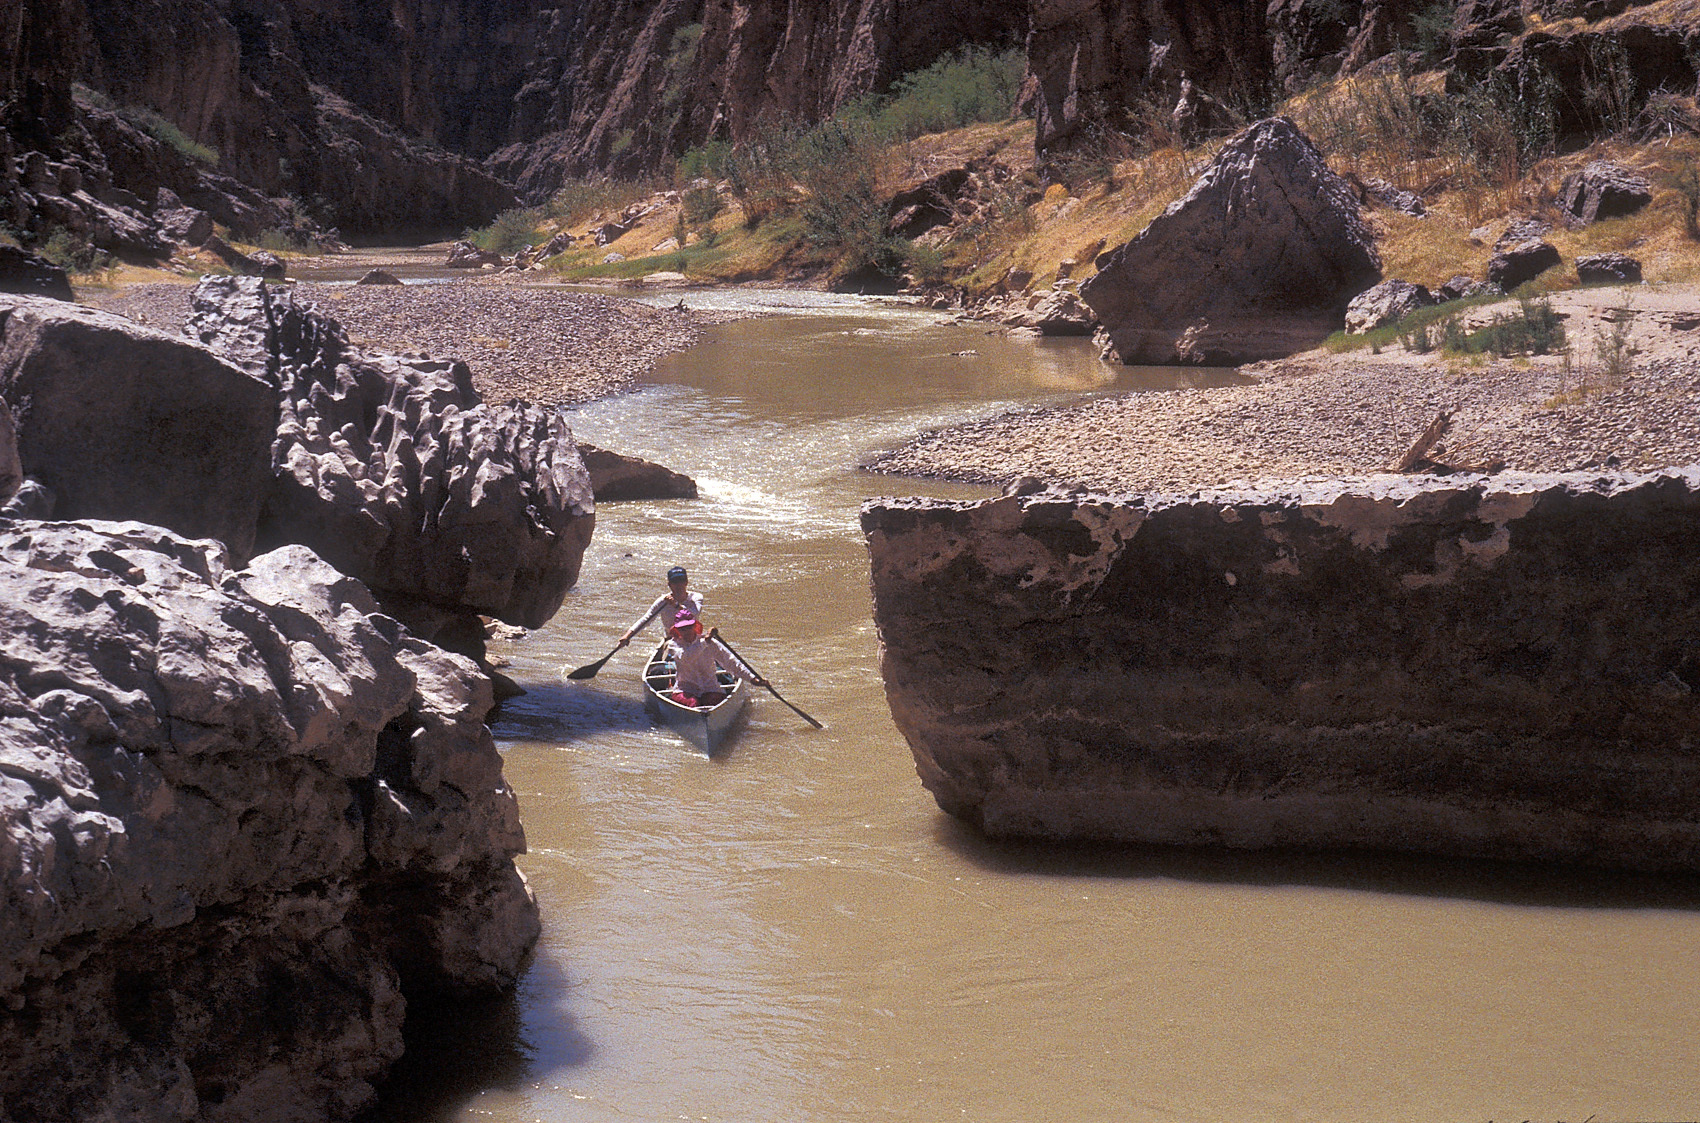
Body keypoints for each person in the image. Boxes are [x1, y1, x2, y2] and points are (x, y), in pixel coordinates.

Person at [665, 608, 765, 708]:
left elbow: (731, 661)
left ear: (695, 626)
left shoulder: (710, 642)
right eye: (682, 629)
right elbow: (686, 657)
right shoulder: (674, 645)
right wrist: (705, 641)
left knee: (712, 701)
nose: (686, 632)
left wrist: (752, 678)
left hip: (710, 688)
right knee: (693, 703)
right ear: (677, 630)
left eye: (689, 627)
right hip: (685, 689)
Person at [617, 565, 701, 652]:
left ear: (686, 582)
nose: (678, 585)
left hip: (693, 639)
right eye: (675, 582)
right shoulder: (663, 601)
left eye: (681, 581)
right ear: (669, 585)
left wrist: (676, 605)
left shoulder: (696, 598)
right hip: (672, 640)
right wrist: (627, 636)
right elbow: (646, 619)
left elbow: (694, 613)